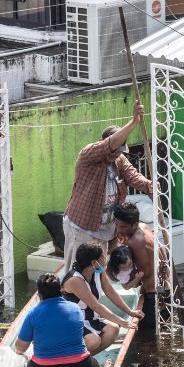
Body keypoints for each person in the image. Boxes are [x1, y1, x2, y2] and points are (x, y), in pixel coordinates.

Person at [62, 100, 153, 270]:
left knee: (97, 272)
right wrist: (134, 121)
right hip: (81, 227)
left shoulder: (119, 159)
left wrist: (149, 186)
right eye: (116, 148)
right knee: (76, 273)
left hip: (104, 229)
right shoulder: (88, 154)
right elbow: (108, 146)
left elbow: (133, 176)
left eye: (121, 149)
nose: (118, 152)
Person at [14, 273, 102, 367]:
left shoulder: (33, 314)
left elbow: (21, 348)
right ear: (60, 290)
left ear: (39, 294)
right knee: (97, 364)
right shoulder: (75, 309)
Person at [113, 202, 184, 332]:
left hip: (154, 296)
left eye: (123, 226)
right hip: (165, 289)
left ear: (134, 224)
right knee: (164, 332)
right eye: (116, 224)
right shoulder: (144, 227)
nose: (119, 229)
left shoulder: (135, 242)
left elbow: (145, 273)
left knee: (149, 338)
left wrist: (129, 279)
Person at [62, 243, 143, 355]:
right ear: (94, 262)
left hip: (89, 318)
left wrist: (129, 311)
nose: (106, 258)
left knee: (113, 329)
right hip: (73, 321)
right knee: (94, 341)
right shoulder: (75, 280)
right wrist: (122, 321)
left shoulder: (98, 271)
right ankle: (69, 360)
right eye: (103, 256)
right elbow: (95, 305)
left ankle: (85, 360)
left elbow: (111, 292)